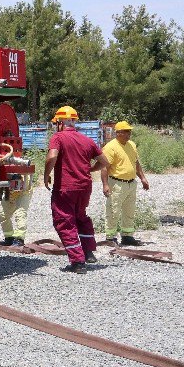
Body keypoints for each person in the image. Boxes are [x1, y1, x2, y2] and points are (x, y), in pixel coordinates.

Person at [44, 106, 109, 274]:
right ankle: (88, 253)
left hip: (66, 187)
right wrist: (90, 169)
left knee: (65, 221)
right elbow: (104, 161)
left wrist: (46, 175)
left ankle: (77, 261)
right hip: (84, 187)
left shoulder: (58, 137)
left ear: (59, 122)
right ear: (74, 122)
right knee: (80, 217)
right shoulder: (87, 140)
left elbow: (52, 156)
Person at [100, 121, 150, 246]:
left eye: (130, 131)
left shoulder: (131, 145)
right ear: (118, 133)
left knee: (129, 211)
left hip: (131, 184)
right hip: (116, 184)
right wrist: (105, 185)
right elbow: (104, 167)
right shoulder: (110, 147)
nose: (129, 134)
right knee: (113, 211)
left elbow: (136, 163)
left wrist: (143, 178)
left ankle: (127, 236)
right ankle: (110, 238)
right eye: (126, 131)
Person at [0, 171, 34, 247]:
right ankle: (9, 238)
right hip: (10, 193)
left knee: (20, 214)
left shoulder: (19, 167)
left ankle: (19, 239)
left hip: (23, 192)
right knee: (3, 214)